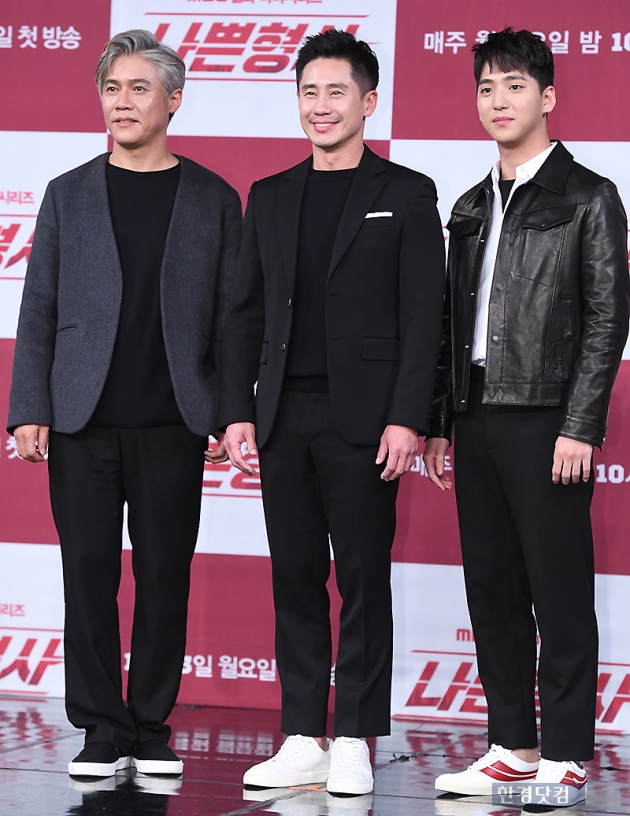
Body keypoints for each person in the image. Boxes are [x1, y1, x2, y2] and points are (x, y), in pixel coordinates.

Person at [216, 29, 445, 796]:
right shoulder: (270, 195)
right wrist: (238, 411)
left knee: (363, 579)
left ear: (368, 101)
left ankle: (354, 736)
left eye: (336, 92)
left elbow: (425, 316)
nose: (321, 106)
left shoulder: (406, 192)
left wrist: (408, 417)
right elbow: (243, 314)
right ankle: (303, 734)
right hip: (282, 416)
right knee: (294, 576)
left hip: (367, 421)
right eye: (309, 92)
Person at [7, 29, 242, 778]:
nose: (123, 102)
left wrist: (226, 410)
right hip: (81, 420)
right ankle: (101, 727)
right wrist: (28, 406)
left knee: (165, 578)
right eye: (112, 88)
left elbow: (233, 319)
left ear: (174, 100)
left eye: (140, 88)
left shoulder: (213, 198)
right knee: (88, 576)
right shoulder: (67, 193)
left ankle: (150, 725)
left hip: (174, 420)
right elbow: (39, 308)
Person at [423, 27, 629, 807]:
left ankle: (567, 754)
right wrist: (441, 421)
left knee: (558, 591)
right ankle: (513, 745)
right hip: (475, 416)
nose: (498, 100)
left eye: (514, 85)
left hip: (548, 420)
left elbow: (608, 320)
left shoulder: (588, 195)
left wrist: (581, 424)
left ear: (548, 97)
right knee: (493, 591)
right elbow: (450, 324)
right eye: (486, 87)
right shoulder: (470, 204)